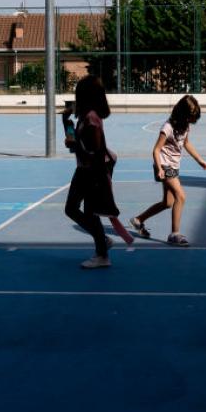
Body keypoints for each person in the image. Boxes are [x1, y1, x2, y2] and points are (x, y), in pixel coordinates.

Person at [128, 94, 206, 247]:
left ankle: (138, 220)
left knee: (168, 203)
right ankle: (174, 234)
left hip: (173, 166)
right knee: (181, 196)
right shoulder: (168, 127)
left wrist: (200, 160)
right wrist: (159, 168)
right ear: (183, 114)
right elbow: (156, 150)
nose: (192, 121)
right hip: (164, 166)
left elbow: (187, 144)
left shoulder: (185, 126)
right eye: (191, 117)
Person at [63, 76, 123, 269]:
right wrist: (67, 124)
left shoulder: (91, 119)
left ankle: (102, 254)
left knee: (89, 211)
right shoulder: (85, 116)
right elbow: (78, 146)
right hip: (84, 168)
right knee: (72, 208)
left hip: (93, 170)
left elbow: (94, 150)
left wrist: (100, 180)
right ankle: (102, 241)